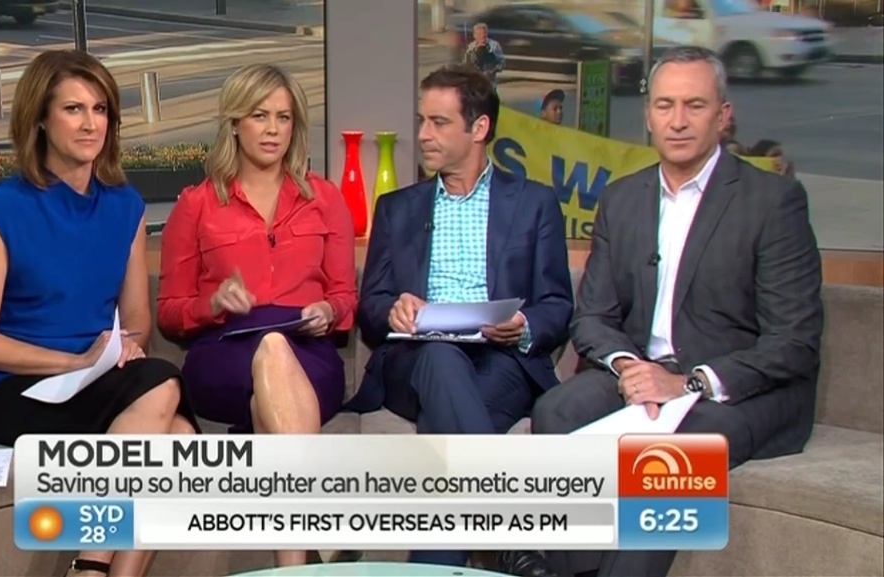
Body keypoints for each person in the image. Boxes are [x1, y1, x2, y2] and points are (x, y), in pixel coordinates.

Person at [498, 46, 823, 577]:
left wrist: (687, 383)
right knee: (557, 409)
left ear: (722, 116)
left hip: (739, 389)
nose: (678, 121)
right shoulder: (623, 198)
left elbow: (794, 342)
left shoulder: (773, 201)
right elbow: (593, 317)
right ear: (648, 115)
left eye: (695, 105)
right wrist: (631, 369)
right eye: (665, 105)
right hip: (643, 371)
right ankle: (564, 566)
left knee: (671, 455)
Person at [0, 50, 201, 577]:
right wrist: (73, 363)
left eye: (100, 109)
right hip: (16, 389)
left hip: (93, 379)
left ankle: (98, 571)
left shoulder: (125, 206)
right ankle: (90, 566)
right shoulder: (3, 208)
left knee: (179, 438)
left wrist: (123, 346)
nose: (91, 123)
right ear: (41, 119)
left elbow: (137, 321)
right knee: (165, 390)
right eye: (73, 109)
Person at [349, 64, 574, 571]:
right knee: (440, 357)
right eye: (421, 121)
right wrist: (394, 309)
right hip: (415, 360)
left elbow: (557, 304)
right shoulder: (397, 208)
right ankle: (507, 531)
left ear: (479, 128)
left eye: (439, 122)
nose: (423, 135)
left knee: (448, 439)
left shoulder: (535, 203)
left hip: (501, 362)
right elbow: (371, 304)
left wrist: (524, 327)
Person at [156, 63, 357, 568]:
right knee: (269, 347)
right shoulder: (196, 205)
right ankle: (306, 552)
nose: (273, 130)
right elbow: (169, 314)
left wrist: (328, 310)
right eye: (260, 116)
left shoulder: (324, 198)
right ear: (234, 124)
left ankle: (293, 564)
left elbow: (345, 297)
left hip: (308, 353)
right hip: (222, 353)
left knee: (277, 349)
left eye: (283, 118)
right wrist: (212, 304)